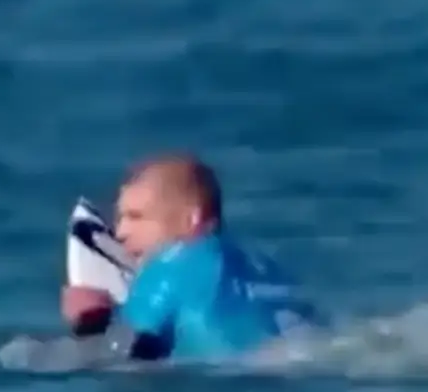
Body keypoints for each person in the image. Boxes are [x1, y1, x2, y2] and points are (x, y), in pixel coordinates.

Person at [61, 152, 320, 362]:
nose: (120, 233)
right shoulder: (269, 268)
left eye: (136, 217)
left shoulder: (172, 264)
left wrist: (91, 321)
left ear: (191, 219)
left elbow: (122, 357)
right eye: (120, 218)